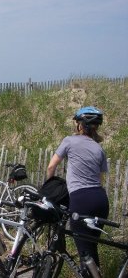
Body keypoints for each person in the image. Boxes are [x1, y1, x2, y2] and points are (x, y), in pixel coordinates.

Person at [47, 106, 108, 269]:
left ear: (80, 125)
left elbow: (51, 167)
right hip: (101, 200)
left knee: (84, 252)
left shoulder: (69, 141)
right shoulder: (99, 149)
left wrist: (50, 187)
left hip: (81, 200)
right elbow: (99, 179)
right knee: (90, 248)